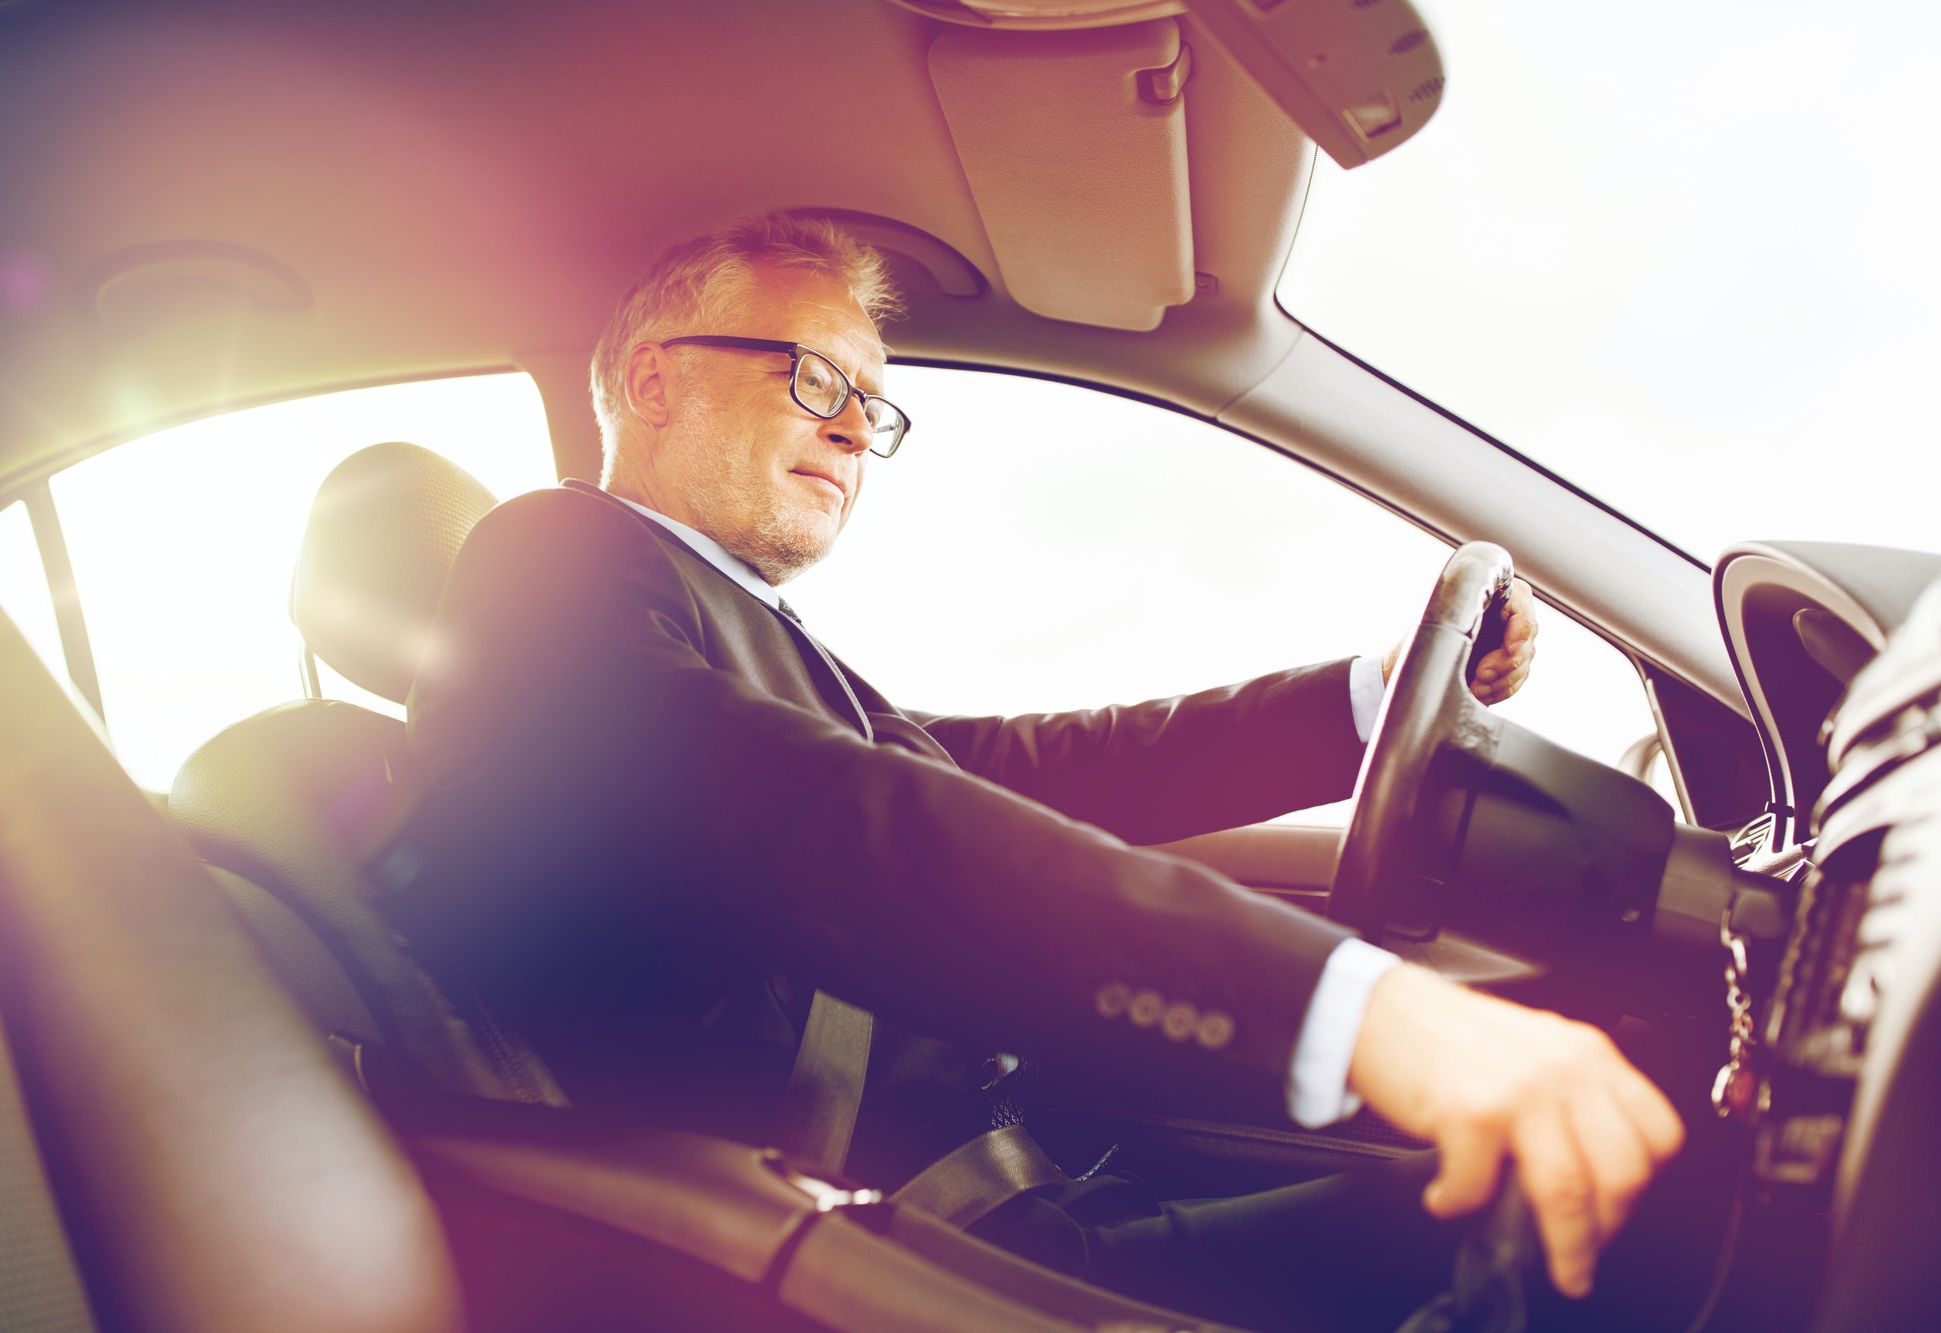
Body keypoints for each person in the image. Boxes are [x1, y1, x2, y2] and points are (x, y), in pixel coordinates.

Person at [402, 212, 1683, 1328]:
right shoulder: (550, 560)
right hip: (887, 1249)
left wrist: (1358, 698)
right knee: (1616, 1225)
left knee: (1578, 1187)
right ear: (654, 379)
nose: (856, 430)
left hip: (1008, 1181)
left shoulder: (736, 621)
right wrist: (1361, 1009)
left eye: (875, 402)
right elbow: (827, 816)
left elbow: (1009, 772)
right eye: (812, 379)